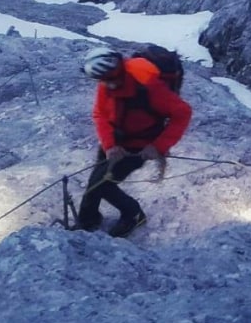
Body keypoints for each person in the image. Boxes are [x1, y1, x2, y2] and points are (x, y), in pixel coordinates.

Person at [78, 47, 192, 237]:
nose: (108, 85)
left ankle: (134, 214)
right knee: (96, 179)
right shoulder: (106, 82)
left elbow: (183, 113)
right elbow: (100, 113)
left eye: (110, 80)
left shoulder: (149, 85)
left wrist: (158, 147)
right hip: (115, 140)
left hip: (140, 144)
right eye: (104, 81)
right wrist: (109, 145)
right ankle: (87, 220)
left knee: (103, 184)